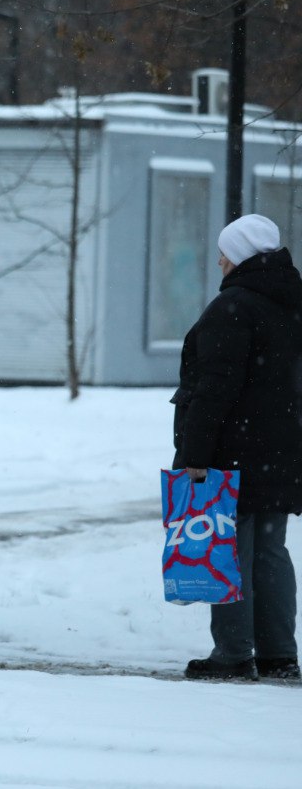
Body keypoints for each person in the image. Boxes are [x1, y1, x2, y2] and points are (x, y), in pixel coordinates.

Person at [172, 213, 302, 681]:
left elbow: (214, 390)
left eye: (225, 252)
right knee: (270, 551)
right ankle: (278, 654)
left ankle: (232, 654)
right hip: (284, 449)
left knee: (227, 548)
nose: (221, 261)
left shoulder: (234, 309)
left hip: (235, 448)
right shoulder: (293, 302)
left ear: (242, 255)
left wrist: (193, 456)